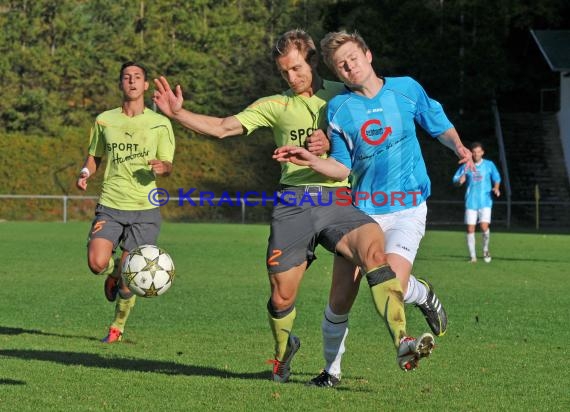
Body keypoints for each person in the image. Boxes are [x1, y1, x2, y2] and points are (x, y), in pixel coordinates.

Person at [152, 29, 434, 383]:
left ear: (313, 61)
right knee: (282, 295)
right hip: (293, 205)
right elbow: (224, 127)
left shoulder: (344, 95)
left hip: (338, 200)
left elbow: (373, 133)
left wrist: (329, 142)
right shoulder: (275, 105)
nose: (292, 77)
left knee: (374, 253)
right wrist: (179, 114)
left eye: (297, 68)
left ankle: (402, 340)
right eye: (284, 71)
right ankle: (285, 350)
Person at [274, 30, 473, 387]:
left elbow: (438, 124)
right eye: (340, 65)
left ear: (368, 54)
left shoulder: (406, 89)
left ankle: (419, 301)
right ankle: (331, 373)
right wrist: (311, 160)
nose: (348, 67)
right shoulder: (339, 108)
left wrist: (458, 147)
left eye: (352, 58)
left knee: (390, 280)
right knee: (339, 299)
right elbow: (342, 166)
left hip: (407, 208)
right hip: (361, 213)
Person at [76, 61, 175, 343]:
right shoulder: (105, 120)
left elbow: (168, 164)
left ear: (145, 85)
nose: (132, 81)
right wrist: (85, 172)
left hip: (145, 208)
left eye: (138, 77)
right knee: (97, 263)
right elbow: (94, 157)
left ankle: (117, 327)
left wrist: (161, 167)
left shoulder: (160, 123)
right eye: (126, 77)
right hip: (111, 203)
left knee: (132, 279)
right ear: (121, 84)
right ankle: (113, 273)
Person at [452, 142, 501, 263]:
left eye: (478, 151)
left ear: (482, 152)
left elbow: (497, 177)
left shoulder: (489, 165)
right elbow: (455, 180)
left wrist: (496, 187)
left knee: (484, 227)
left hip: (485, 201)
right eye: (474, 152)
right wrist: (460, 181)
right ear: (471, 153)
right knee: (470, 229)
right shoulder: (466, 166)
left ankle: (485, 249)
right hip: (471, 202)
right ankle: (473, 257)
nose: (476, 154)